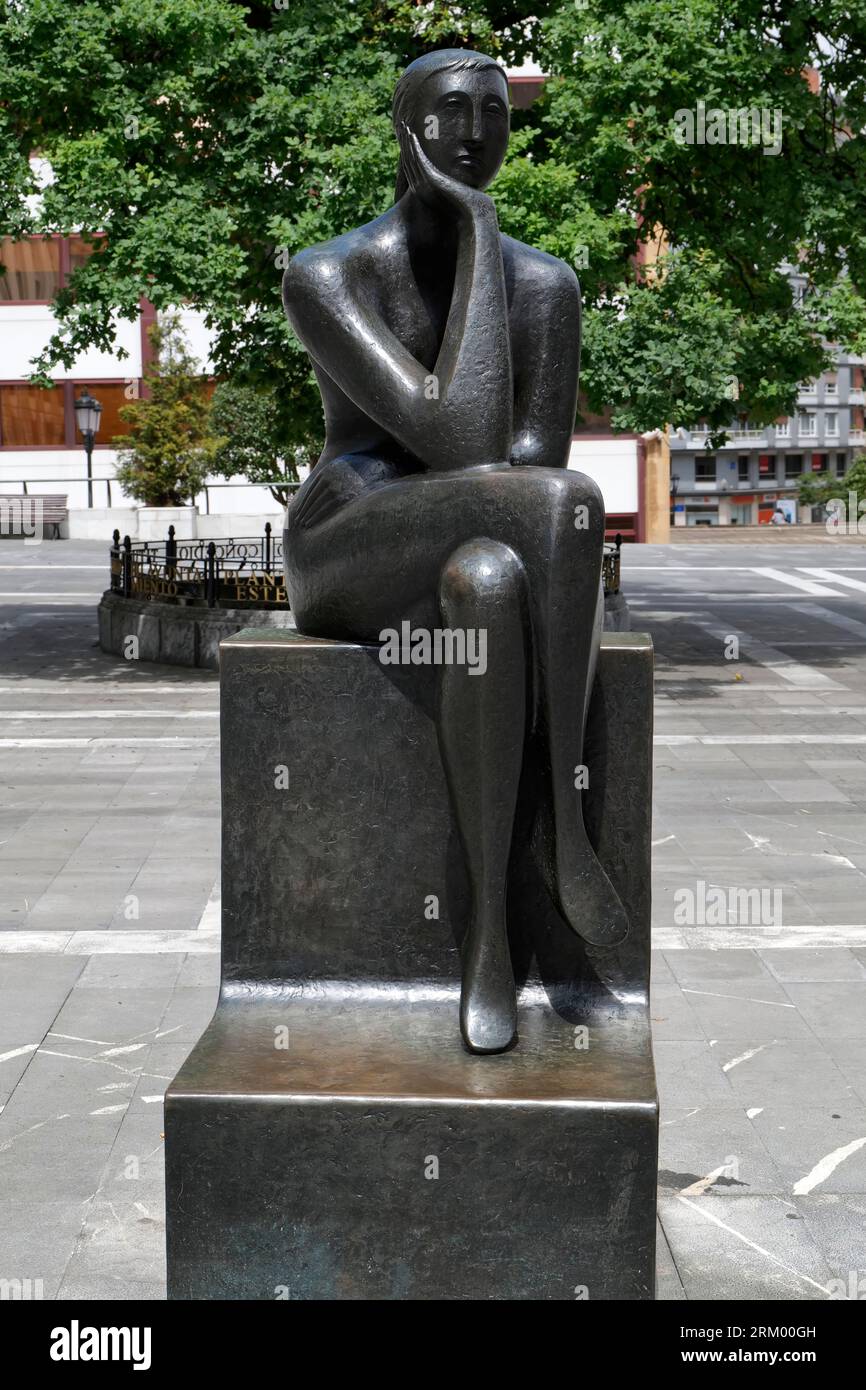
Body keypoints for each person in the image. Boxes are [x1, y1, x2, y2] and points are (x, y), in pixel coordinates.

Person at [282, 49, 627, 1054]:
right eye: (447, 112)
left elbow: (514, 475)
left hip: (471, 548)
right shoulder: (329, 274)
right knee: (565, 502)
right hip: (348, 544)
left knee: (490, 573)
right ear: (406, 129)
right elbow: (469, 443)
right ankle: (564, 829)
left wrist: (490, 252)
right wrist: (474, 228)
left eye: (492, 110)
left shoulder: (545, 288)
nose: (473, 131)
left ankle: (487, 941)